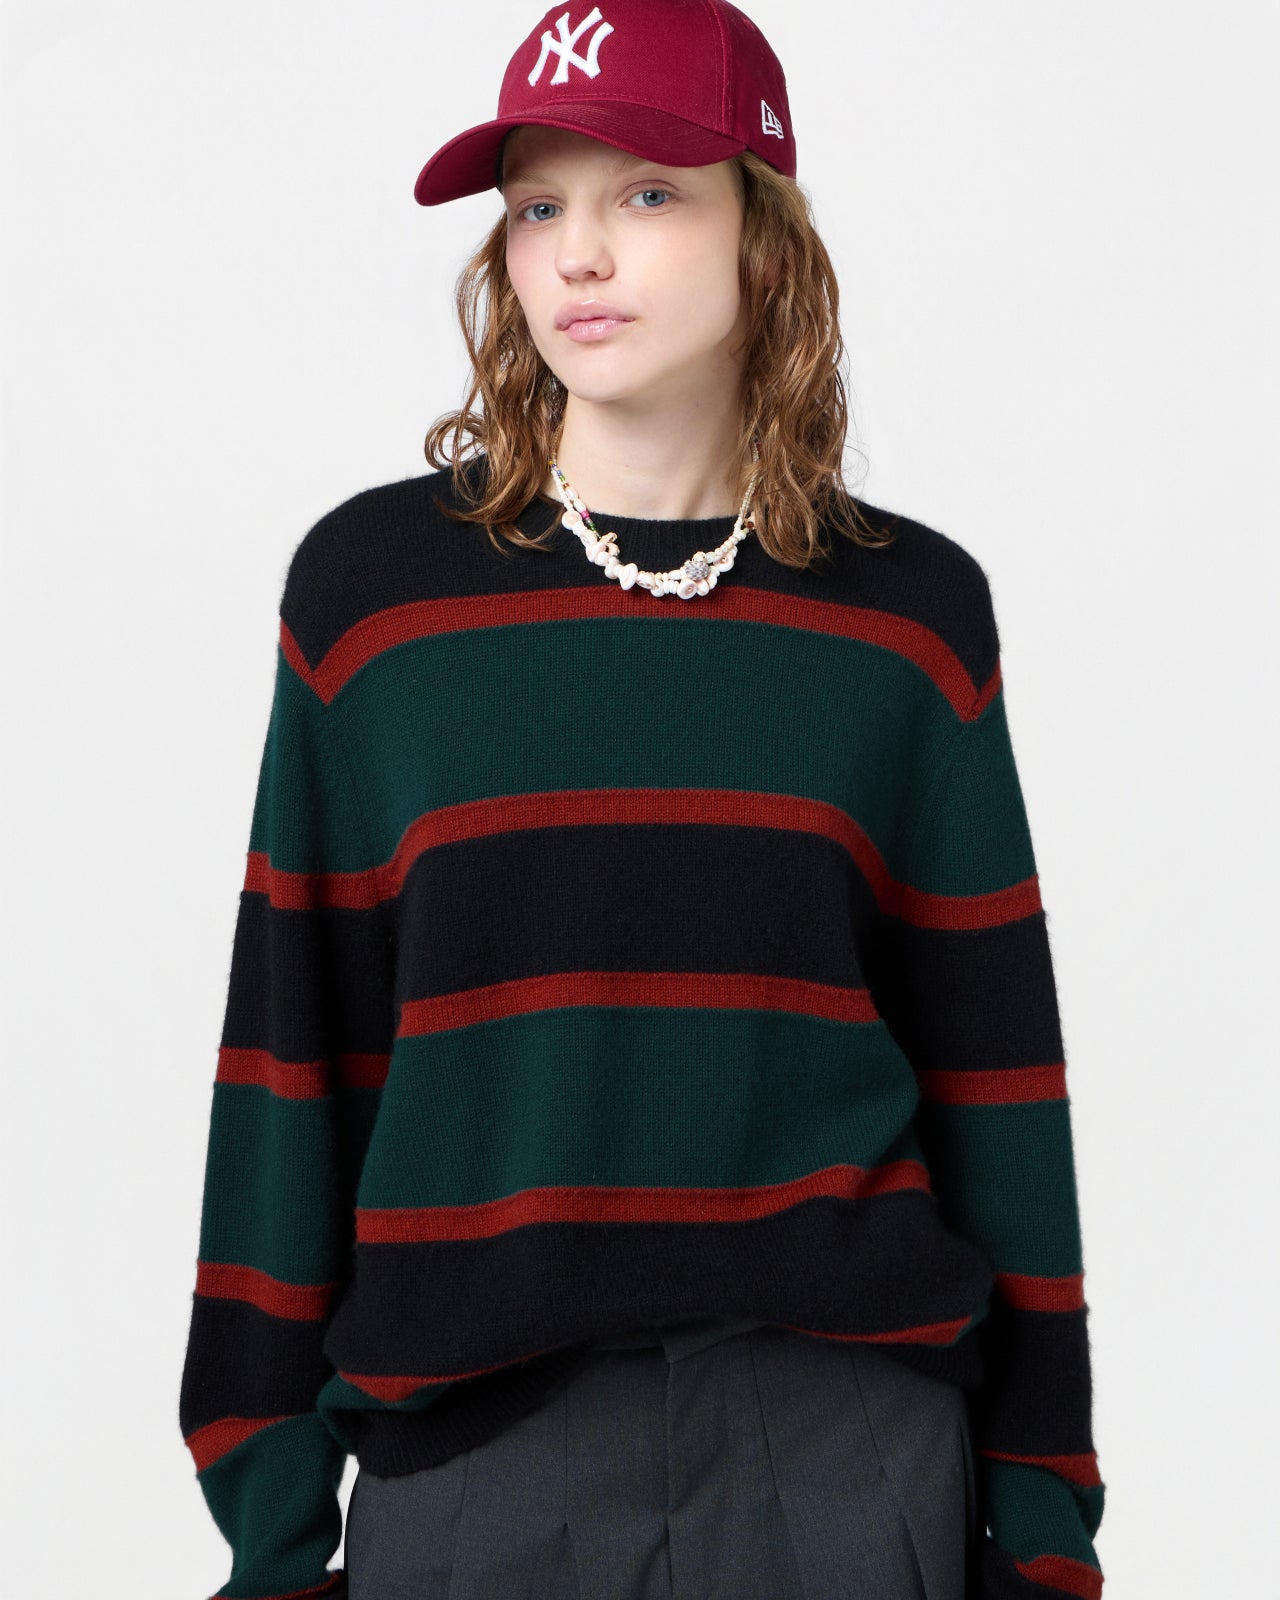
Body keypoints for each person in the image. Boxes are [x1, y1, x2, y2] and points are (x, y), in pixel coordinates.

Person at [178, 3, 1106, 1597]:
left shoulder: (909, 619)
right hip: (473, 1461)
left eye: (649, 194)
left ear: (766, 235)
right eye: (538, 205)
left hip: (840, 1451)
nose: (579, 255)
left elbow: (998, 1080)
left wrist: (1041, 1531)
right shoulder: (374, 603)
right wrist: (272, 1530)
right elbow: (290, 1058)